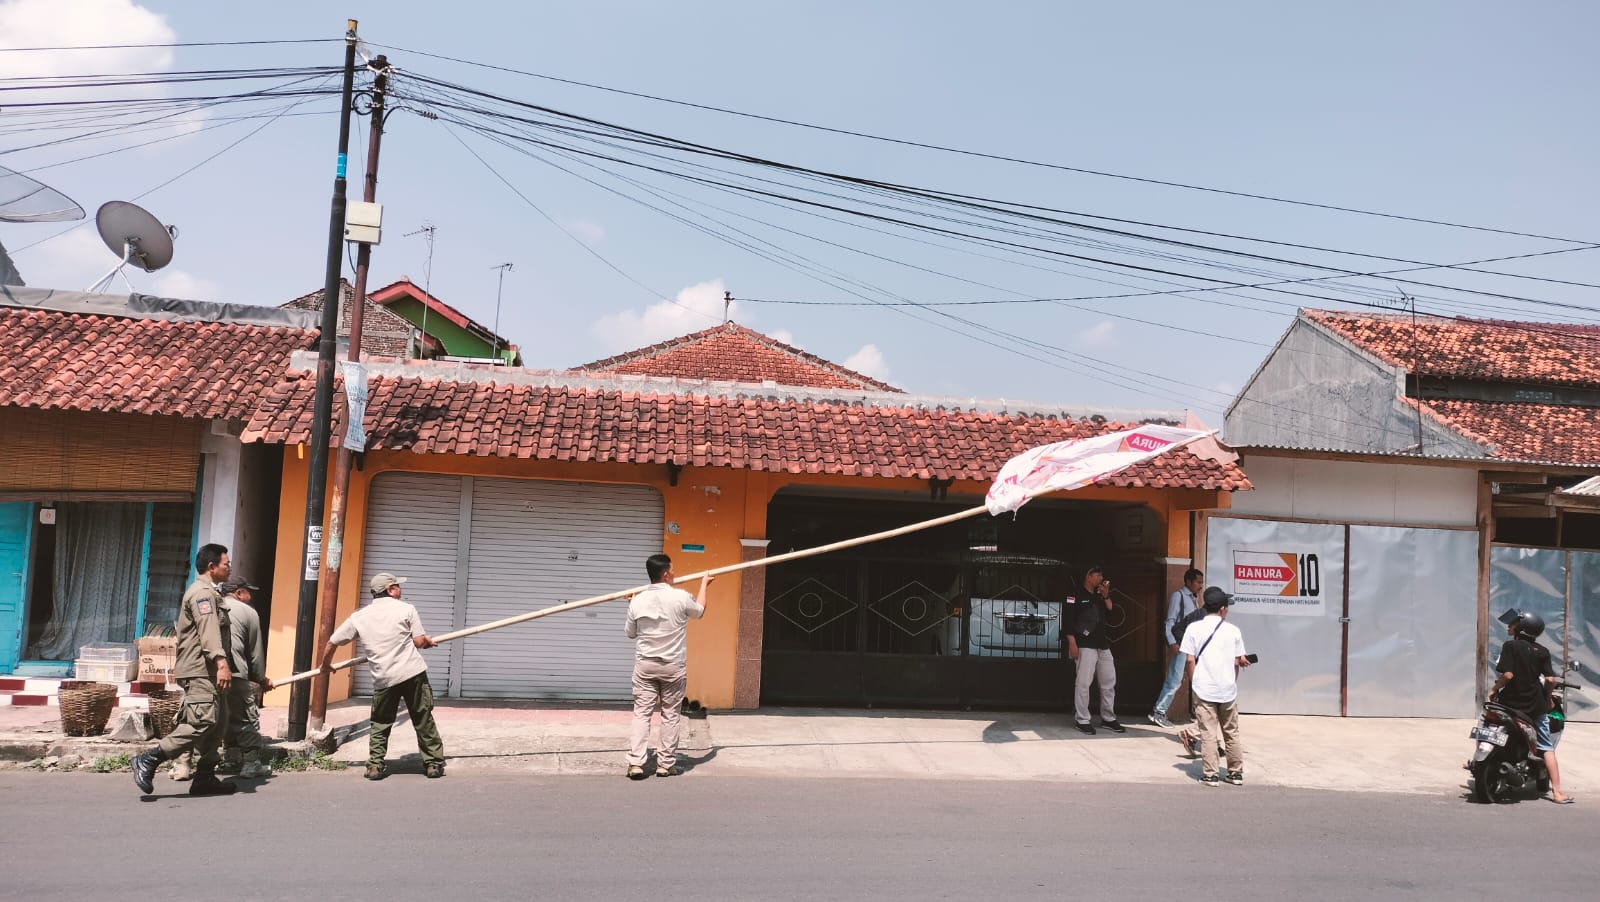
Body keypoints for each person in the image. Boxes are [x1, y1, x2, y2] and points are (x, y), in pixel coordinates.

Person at [131, 543, 237, 796]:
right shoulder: (203, 594)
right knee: (202, 721)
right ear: (212, 567)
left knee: (218, 724)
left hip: (209, 671)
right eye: (226, 564)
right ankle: (151, 758)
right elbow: (209, 632)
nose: (229, 568)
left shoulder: (211, 592)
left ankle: (204, 777)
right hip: (201, 669)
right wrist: (221, 663)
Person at [321, 573, 445, 781]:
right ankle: (433, 763)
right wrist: (427, 641)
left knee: (380, 722)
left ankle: (375, 766)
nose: (400, 590)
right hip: (411, 673)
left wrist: (325, 665)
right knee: (423, 718)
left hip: (384, 677)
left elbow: (332, 641)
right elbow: (418, 642)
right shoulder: (406, 609)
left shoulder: (359, 617)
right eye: (397, 586)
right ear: (389, 590)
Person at [624, 554, 714, 779]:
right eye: (672, 570)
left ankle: (636, 763)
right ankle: (665, 764)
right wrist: (704, 584)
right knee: (670, 715)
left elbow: (630, 633)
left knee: (642, 714)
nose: (674, 573)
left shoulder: (638, 600)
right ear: (665, 574)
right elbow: (700, 611)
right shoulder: (681, 597)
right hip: (672, 666)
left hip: (646, 665)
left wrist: (631, 604)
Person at [1490, 611, 1572, 804]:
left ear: (1521, 628)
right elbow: (1550, 679)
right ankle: (1558, 793)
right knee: (1546, 747)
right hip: (1535, 707)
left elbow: (1508, 675)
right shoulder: (1542, 651)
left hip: (1510, 704)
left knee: (1492, 726)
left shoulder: (1510, 646)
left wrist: (1494, 689)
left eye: (1512, 624)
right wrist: (1546, 695)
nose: (1509, 627)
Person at [1182, 586, 1252, 786]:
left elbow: (1189, 660)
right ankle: (1235, 773)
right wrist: (1231, 681)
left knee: (1208, 733)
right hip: (1227, 690)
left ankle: (1211, 775)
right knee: (1231, 732)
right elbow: (1237, 662)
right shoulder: (1233, 631)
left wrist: (1195, 681)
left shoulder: (1193, 629)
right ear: (1222, 609)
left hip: (1204, 689)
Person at [1067, 566, 1123, 734]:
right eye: (1098, 575)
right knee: (1083, 683)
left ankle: (1108, 718)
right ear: (1088, 576)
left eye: (1101, 575)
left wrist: (1105, 595)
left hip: (1102, 644)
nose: (1101, 578)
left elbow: (1111, 611)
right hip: (1084, 644)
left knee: (1108, 682)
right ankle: (1082, 719)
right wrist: (1072, 643)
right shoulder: (1075, 594)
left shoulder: (1100, 596)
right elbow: (1068, 619)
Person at [1149, 568, 1203, 729]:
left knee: (1195, 678)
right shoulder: (1178, 596)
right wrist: (1172, 643)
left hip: (1191, 646)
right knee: (1174, 680)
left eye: (1201, 582)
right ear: (1188, 581)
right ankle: (1158, 712)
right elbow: (1170, 621)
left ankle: (1197, 711)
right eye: (1198, 582)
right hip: (1181, 644)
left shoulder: (1194, 598)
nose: (1200, 585)